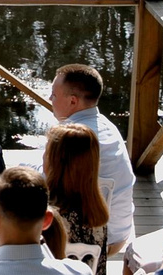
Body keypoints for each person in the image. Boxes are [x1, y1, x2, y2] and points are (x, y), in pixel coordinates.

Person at [47, 63, 129, 243]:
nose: (50, 98)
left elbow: (46, 178)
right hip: (118, 232)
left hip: (89, 236)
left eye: (53, 94)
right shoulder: (109, 127)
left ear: (73, 101)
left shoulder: (71, 137)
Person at [41, 121, 113, 260]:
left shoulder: (48, 216)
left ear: (56, 163)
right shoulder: (96, 212)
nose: (43, 156)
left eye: (47, 151)